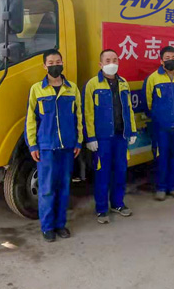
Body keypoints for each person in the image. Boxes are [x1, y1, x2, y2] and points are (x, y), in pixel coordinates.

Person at [25, 49, 83, 242]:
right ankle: (47, 227)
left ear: (62, 63)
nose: (55, 65)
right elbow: (31, 120)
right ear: (44, 66)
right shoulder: (37, 89)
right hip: (47, 148)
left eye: (58, 62)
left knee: (64, 187)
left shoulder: (72, 89)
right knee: (47, 189)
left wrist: (78, 140)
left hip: (67, 147)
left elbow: (79, 117)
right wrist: (33, 145)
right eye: (51, 63)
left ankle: (60, 225)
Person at [83, 49, 137, 224]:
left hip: (121, 136)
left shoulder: (123, 83)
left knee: (120, 171)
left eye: (114, 60)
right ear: (100, 64)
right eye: (107, 60)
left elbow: (128, 109)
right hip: (102, 138)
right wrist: (90, 137)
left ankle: (118, 204)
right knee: (102, 174)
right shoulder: (92, 85)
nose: (111, 63)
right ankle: (101, 209)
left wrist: (132, 131)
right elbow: (87, 113)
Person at [146, 46, 174, 201]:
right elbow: (149, 102)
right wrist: (160, 116)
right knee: (161, 157)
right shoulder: (153, 78)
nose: (171, 60)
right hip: (161, 127)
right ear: (161, 61)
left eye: (173, 57)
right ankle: (161, 188)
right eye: (167, 58)